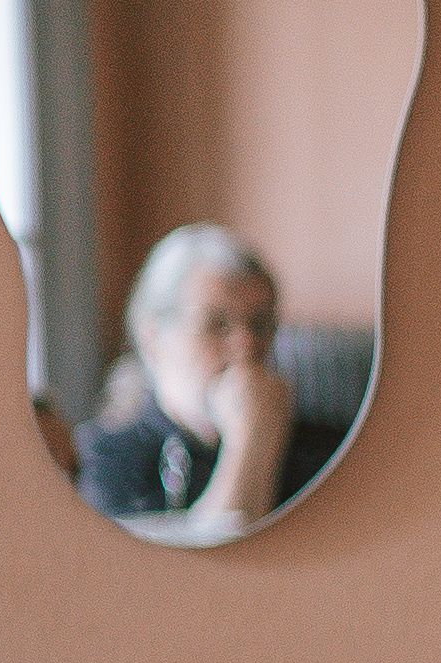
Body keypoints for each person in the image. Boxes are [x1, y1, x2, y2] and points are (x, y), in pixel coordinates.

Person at [74, 225, 350, 537]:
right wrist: (250, 441)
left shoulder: (334, 450)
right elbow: (180, 581)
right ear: (152, 338)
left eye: (260, 325)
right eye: (215, 324)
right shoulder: (105, 458)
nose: (246, 345)